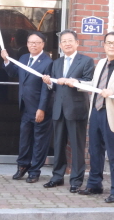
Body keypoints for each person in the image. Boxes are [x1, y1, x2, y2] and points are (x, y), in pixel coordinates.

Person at [75, 32, 114, 203]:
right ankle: (94, 184)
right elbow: (95, 86)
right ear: (104, 45)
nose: (112, 46)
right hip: (97, 111)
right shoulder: (101, 63)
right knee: (94, 150)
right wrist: (76, 83)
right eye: (109, 43)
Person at [41, 30, 95, 192]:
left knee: (77, 146)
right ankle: (57, 177)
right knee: (58, 145)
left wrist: (75, 81)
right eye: (64, 41)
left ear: (77, 43)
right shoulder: (56, 63)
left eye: (70, 40)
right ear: (60, 45)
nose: (67, 44)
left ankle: (76, 180)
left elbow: (89, 83)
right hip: (59, 109)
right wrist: (49, 83)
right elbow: (55, 87)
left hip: (77, 109)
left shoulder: (86, 61)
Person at [1, 32, 52, 183]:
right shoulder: (23, 58)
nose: (33, 45)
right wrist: (6, 60)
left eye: (36, 42)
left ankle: (34, 171)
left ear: (42, 44)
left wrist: (42, 109)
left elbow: (46, 89)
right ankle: (22, 166)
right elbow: (13, 72)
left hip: (39, 109)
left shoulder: (48, 62)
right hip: (25, 108)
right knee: (24, 140)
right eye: (30, 42)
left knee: (39, 142)